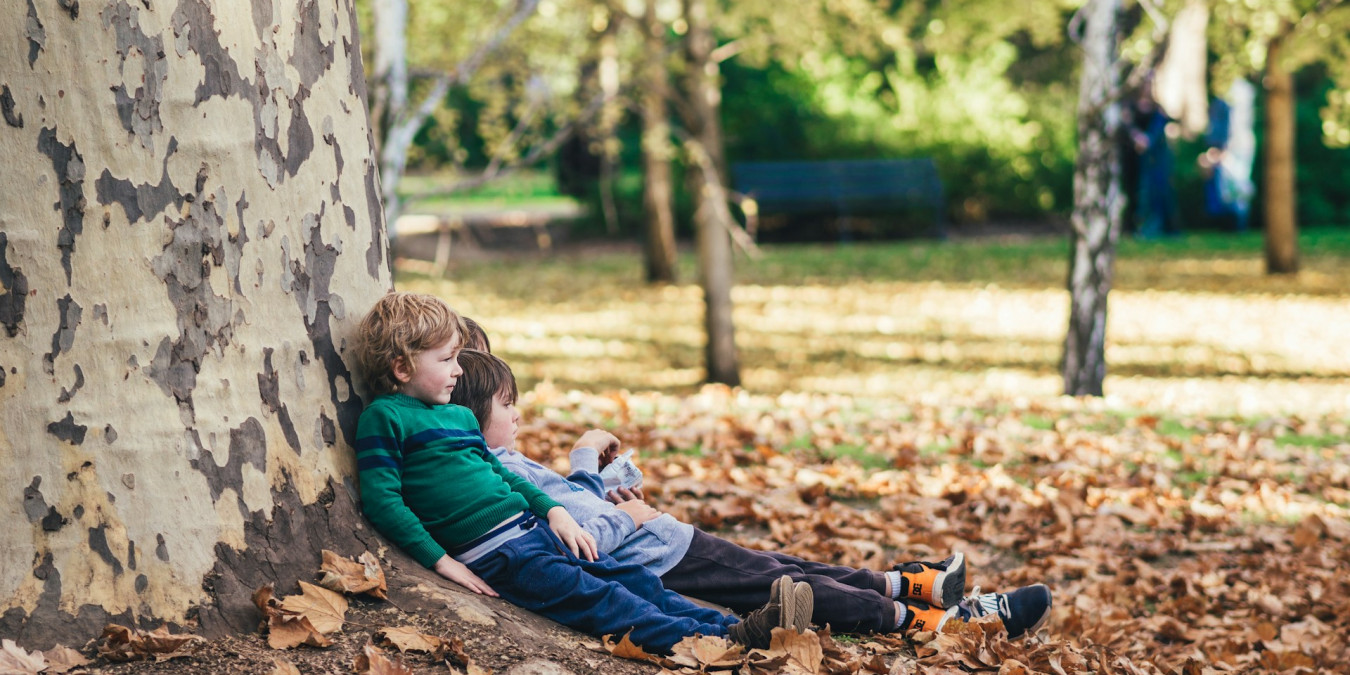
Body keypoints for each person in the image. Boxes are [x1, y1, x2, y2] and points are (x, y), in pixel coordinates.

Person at [449, 346, 1055, 640]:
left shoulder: (500, 459)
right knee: (791, 587)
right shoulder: (495, 471)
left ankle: (913, 583)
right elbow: (584, 534)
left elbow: (579, 510)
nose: (519, 415)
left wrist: (609, 487)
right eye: (508, 406)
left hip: (665, 540)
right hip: (659, 557)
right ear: (472, 414)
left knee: (789, 566)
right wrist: (606, 489)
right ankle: (936, 623)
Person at [351, 291, 814, 654]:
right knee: (605, 602)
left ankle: (739, 628)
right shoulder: (386, 419)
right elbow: (384, 501)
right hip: (501, 556)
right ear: (401, 366)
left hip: (535, 531)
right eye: (447, 359)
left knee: (633, 581)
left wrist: (555, 512)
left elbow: (504, 476)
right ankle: (716, 645)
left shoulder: (457, 416)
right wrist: (440, 561)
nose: (458, 371)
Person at [1126, 85, 1180, 238]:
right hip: (1138, 158)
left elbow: (1169, 121)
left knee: (1160, 191)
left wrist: (1148, 140)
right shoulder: (1130, 107)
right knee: (1142, 192)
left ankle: (1162, 226)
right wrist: (1137, 137)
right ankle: (1140, 226)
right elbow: (1127, 125)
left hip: (1157, 157)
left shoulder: (1157, 110)